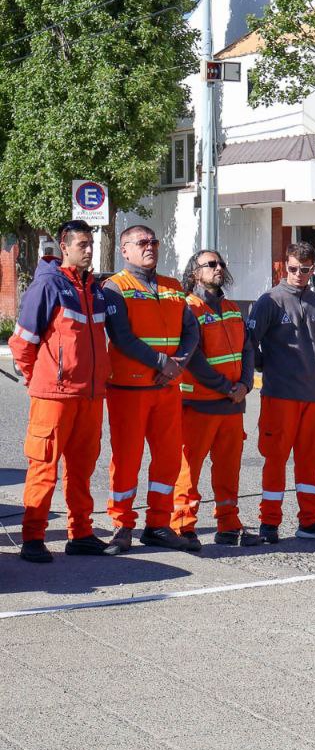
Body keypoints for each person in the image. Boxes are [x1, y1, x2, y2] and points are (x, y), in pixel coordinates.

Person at [9, 220, 111, 562]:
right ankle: (33, 537)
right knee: (44, 466)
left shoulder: (94, 288)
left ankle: (80, 533)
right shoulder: (49, 285)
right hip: (55, 396)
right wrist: (37, 379)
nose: (88, 249)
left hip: (90, 396)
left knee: (82, 469)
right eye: (81, 244)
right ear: (64, 247)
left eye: (90, 244)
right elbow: (23, 342)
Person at [102, 224, 201, 554]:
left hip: (167, 388)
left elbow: (191, 332)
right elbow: (122, 337)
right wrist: (163, 362)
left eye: (154, 242)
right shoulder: (115, 287)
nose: (150, 247)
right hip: (129, 389)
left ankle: (158, 524)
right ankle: (121, 526)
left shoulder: (173, 287)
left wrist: (179, 362)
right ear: (125, 250)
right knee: (127, 460)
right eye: (142, 242)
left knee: (168, 459)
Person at [248, 241, 315, 542]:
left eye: (305, 269)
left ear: (312, 269)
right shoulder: (269, 301)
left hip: (311, 395)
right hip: (279, 395)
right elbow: (250, 343)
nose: (299, 274)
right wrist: (269, 366)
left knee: (310, 461)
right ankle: (269, 523)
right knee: (275, 459)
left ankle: (310, 521)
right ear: (283, 266)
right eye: (293, 269)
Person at [171, 249, 259, 548]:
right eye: (210, 264)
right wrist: (226, 387)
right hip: (198, 404)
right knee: (188, 468)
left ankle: (228, 524)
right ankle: (183, 525)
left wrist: (245, 384)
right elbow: (192, 358)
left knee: (228, 469)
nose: (218, 268)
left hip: (232, 404)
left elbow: (248, 349)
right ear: (195, 273)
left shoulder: (233, 307)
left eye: (221, 263)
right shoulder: (189, 308)